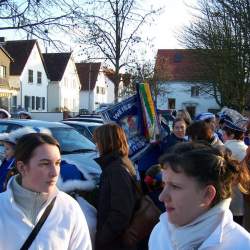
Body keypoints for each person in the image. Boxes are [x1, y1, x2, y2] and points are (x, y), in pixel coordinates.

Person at [149, 142, 250, 250]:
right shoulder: (160, 232)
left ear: (208, 194)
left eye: (175, 186)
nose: (162, 197)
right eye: (164, 184)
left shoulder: (242, 245)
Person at [0, 133, 92, 249]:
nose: (54, 173)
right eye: (45, 164)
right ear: (22, 167)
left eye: (57, 163)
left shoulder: (69, 207)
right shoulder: (2, 208)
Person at [93, 123, 139, 250]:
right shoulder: (118, 164)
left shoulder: (116, 170)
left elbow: (120, 213)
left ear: (107, 142)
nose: (96, 146)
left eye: (97, 142)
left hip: (116, 243)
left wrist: (101, 239)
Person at [222, 119, 248, 225]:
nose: (222, 135)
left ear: (231, 135)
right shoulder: (246, 148)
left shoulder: (225, 148)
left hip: (229, 196)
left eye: (224, 133)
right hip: (245, 198)